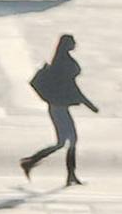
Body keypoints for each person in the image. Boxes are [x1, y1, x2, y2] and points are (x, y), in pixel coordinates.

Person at [20, 33, 97, 186]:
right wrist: (89, 105)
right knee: (68, 141)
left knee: (64, 142)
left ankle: (33, 163)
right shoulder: (65, 64)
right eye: (72, 42)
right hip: (59, 108)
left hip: (57, 107)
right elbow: (73, 88)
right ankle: (68, 174)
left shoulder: (60, 61)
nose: (75, 44)